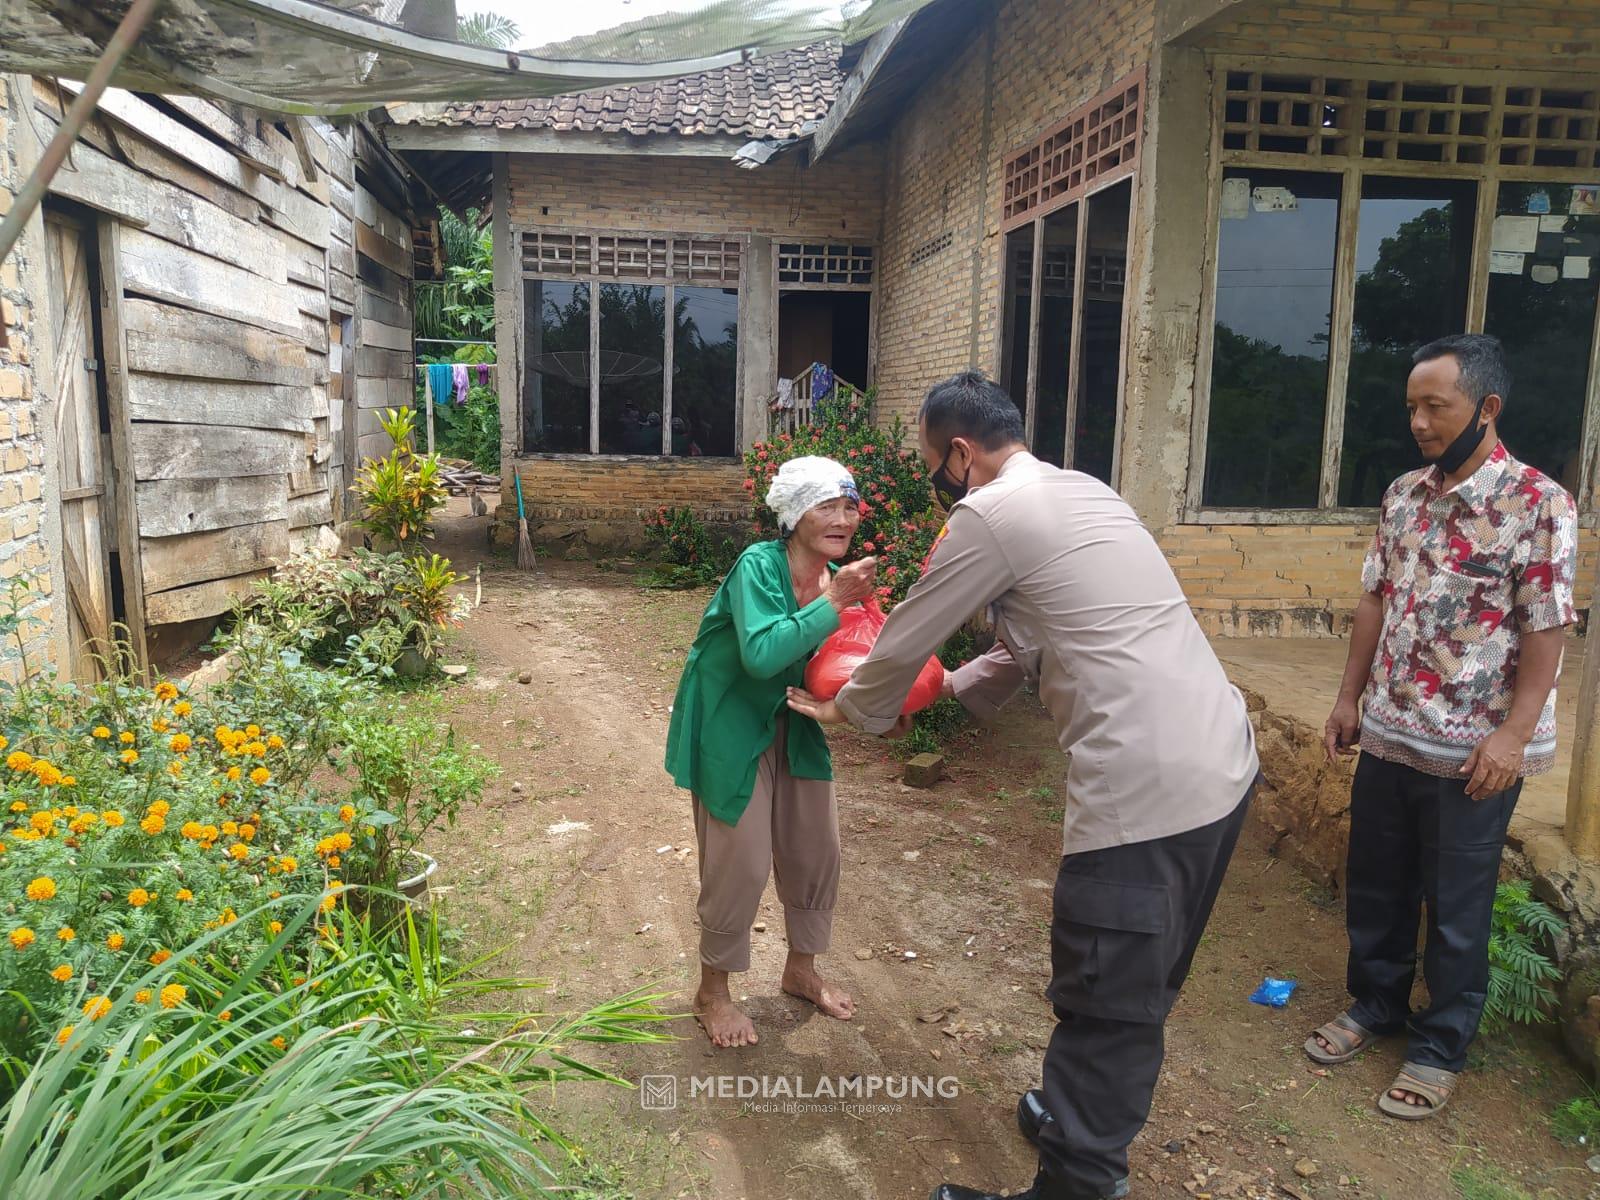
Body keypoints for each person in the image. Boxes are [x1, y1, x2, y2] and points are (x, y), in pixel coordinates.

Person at [787, 372, 1260, 1200]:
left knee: (1107, 992)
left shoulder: (990, 513)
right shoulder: (1081, 493)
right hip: (1220, 767)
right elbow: (1026, 642)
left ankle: (1078, 1180)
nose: (936, 483)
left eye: (934, 463)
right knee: (1138, 981)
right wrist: (938, 700)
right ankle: (1082, 1119)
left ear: (962, 455)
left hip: (1142, 792)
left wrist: (853, 712)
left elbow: (903, 638)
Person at [1310, 334, 1576, 1119]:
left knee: (1457, 905)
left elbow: (1547, 628)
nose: (1420, 422)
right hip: (1391, 730)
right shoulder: (1402, 496)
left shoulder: (1539, 504)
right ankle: (1375, 1004)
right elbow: (1374, 599)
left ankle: (1440, 1046)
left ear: (1487, 408)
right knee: (1379, 882)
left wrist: (1513, 735)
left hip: (1474, 751)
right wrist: (1347, 697)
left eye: (1437, 406)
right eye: (1412, 407)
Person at [664, 456, 881, 1048]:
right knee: (741, 856)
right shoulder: (759, 567)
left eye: (850, 506)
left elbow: (856, 660)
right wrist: (833, 599)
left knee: (818, 845)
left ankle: (800, 969)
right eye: (827, 506)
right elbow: (760, 654)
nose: (843, 518)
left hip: (792, 718)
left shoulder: (841, 578)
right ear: (793, 514)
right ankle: (712, 991)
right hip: (732, 719)